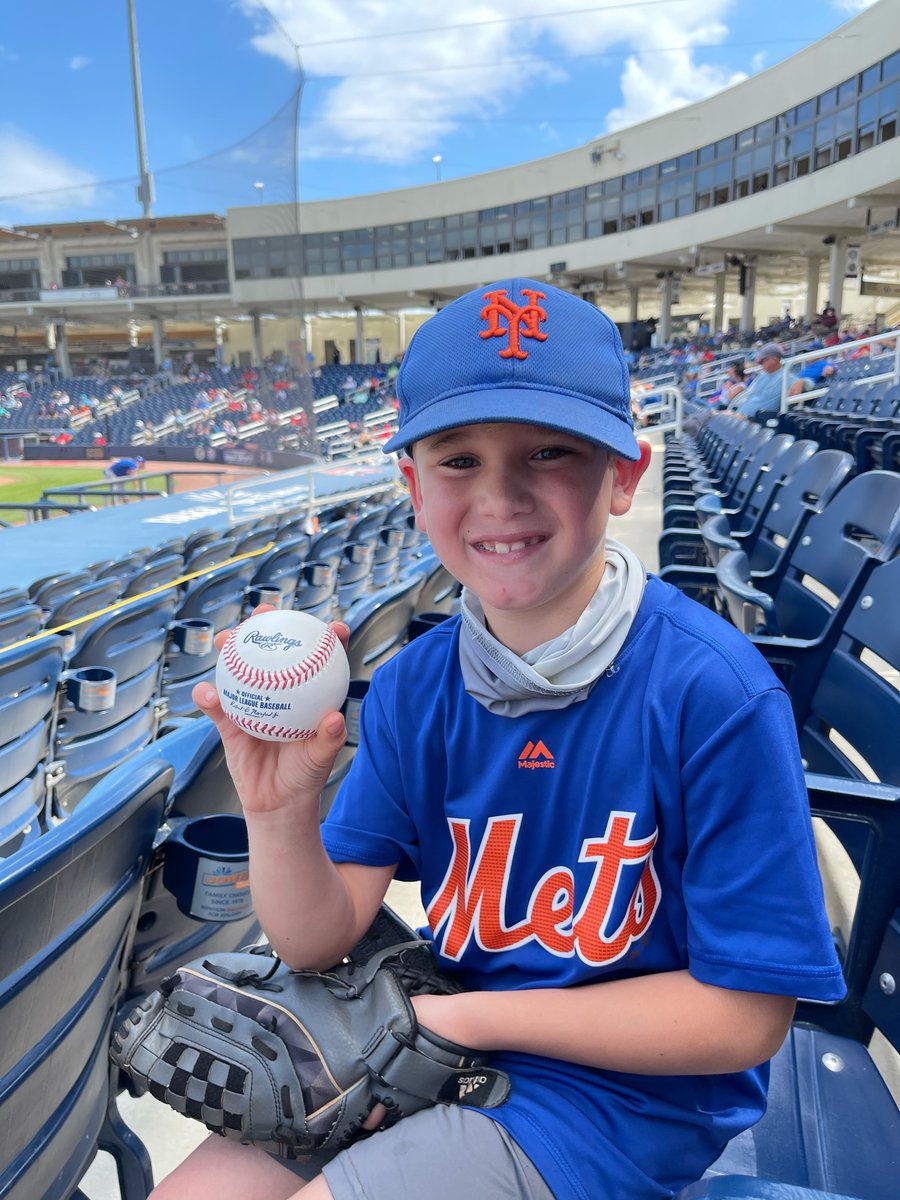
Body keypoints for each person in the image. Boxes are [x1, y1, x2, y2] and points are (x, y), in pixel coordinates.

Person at [155, 279, 845, 1200]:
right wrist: (280, 814)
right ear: (411, 484)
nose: (501, 495)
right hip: (435, 1049)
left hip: (619, 1105)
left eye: (550, 451)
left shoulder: (710, 691)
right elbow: (318, 940)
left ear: (626, 473)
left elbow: (746, 1017)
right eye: (458, 459)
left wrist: (474, 1021)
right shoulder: (412, 687)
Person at [729, 342, 785, 422]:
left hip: (756, 422)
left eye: (762, 361)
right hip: (741, 417)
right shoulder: (762, 376)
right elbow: (751, 399)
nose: (760, 364)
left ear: (774, 359)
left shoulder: (785, 376)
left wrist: (805, 382)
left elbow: (799, 383)